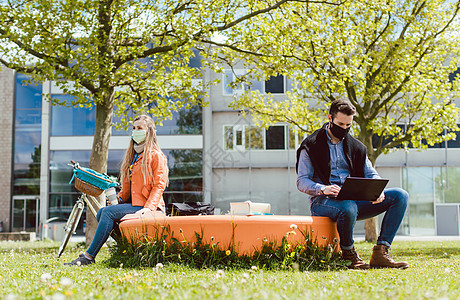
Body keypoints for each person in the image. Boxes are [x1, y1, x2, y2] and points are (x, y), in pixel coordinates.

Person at [296, 99, 409, 270]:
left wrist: (378, 189)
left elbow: (371, 173)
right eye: (340, 123)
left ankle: (381, 252)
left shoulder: (356, 147)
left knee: (400, 196)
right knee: (347, 206)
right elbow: (301, 181)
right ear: (330, 118)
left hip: (354, 202)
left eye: (348, 125)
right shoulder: (310, 145)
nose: (344, 128)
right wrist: (323, 188)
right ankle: (348, 254)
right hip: (323, 202)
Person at [65, 115, 169, 266]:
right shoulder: (132, 157)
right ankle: (127, 248)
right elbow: (127, 189)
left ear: (149, 132)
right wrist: (118, 199)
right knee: (102, 212)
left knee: (107, 213)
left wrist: (148, 208)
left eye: (140, 128)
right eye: (134, 128)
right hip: (135, 205)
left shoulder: (156, 156)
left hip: (150, 207)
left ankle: (88, 257)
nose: (135, 131)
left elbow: (159, 185)